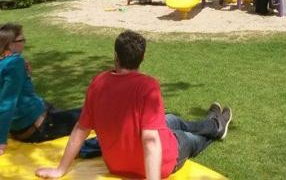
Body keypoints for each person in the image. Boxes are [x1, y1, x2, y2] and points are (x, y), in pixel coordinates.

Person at [36, 30, 232, 179]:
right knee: (190, 139)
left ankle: (215, 122)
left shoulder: (99, 82)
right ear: (143, 58)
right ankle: (216, 127)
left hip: (117, 163)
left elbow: (81, 129)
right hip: (162, 160)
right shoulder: (148, 86)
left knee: (171, 119)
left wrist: (60, 169)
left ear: (116, 56)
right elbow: (150, 140)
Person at [0, 24, 81, 156]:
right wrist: (1, 142)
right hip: (40, 128)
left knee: (56, 109)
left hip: (36, 113)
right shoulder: (15, 63)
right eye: (21, 40)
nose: (24, 43)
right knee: (89, 113)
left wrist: (25, 76)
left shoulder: (6, 62)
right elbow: (7, 103)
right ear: (10, 45)